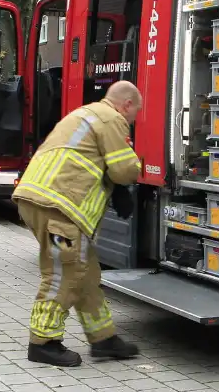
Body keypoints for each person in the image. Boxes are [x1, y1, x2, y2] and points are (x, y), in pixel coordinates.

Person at [12, 81, 143, 367]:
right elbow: (123, 168)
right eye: (135, 116)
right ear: (127, 105)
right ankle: (43, 342)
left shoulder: (86, 114)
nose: (132, 122)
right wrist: (134, 172)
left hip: (40, 198)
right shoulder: (112, 118)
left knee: (86, 273)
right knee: (65, 271)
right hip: (61, 204)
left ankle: (103, 338)